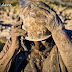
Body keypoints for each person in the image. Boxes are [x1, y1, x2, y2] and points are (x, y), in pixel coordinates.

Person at [0, 1, 72, 72]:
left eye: (43, 40)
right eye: (32, 41)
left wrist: (59, 33)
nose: (37, 47)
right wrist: (13, 48)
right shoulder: (16, 40)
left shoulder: (66, 36)